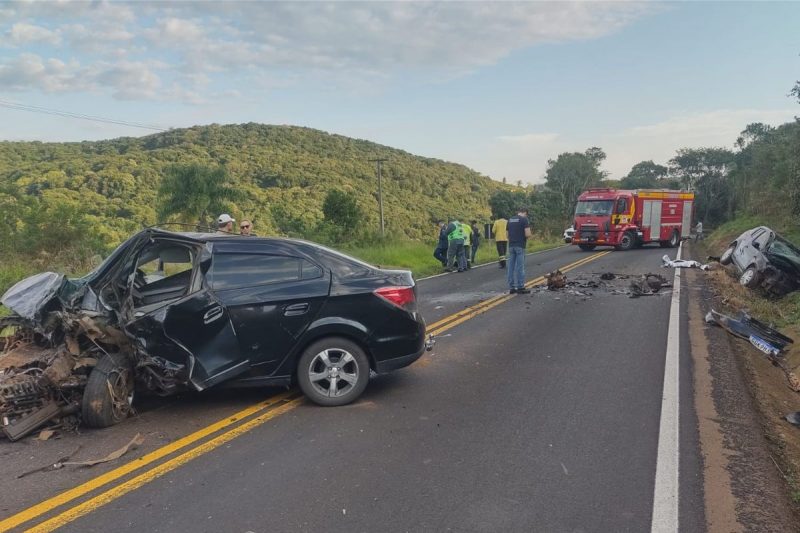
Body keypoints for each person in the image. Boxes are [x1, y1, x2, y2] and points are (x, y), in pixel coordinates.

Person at [506, 207, 532, 294]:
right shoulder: (524, 220)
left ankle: (511, 287)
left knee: (511, 266)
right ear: (525, 213)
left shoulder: (510, 220)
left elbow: (507, 234)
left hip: (511, 245)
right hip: (520, 245)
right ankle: (520, 287)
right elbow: (528, 234)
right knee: (520, 267)